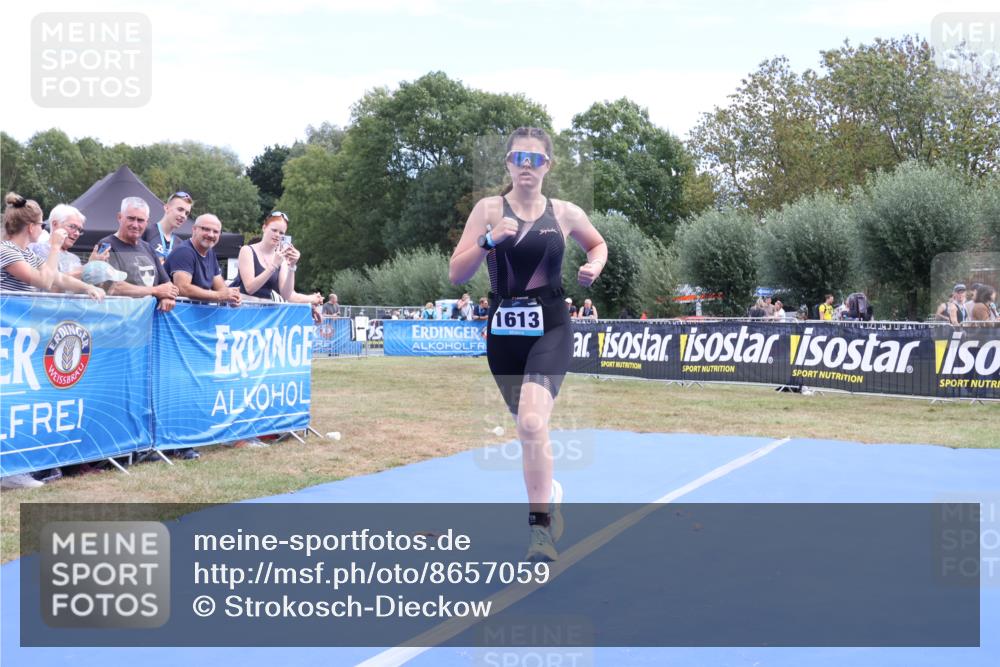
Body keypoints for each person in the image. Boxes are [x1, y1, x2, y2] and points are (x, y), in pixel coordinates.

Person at [449, 127, 607, 562]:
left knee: (534, 424)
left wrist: (594, 265)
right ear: (508, 164)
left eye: (535, 160)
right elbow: (457, 275)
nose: (526, 166)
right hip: (503, 335)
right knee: (527, 428)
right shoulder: (486, 210)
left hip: (551, 327)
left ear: (547, 167)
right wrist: (487, 241)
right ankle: (549, 491)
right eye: (519, 158)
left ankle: (540, 531)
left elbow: (597, 244)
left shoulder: (566, 212)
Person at [0, 193, 103, 490]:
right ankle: (9, 471)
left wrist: (87, 288)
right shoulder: (6, 251)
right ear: (32, 227)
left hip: (19, 342)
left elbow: (57, 278)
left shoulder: (25, 253)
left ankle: (16, 467)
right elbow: (44, 281)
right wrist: (55, 246)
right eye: (42, 224)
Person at [230, 211, 323, 321]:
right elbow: (250, 288)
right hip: (240, 311)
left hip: (263, 316)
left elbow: (287, 295)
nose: (277, 235)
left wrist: (292, 266)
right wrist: (273, 265)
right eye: (274, 230)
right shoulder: (247, 250)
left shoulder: (281, 258)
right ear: (264, 228)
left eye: (281, 233)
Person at [98, 196, 179, 311]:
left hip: (147, 320)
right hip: (119, 319)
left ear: (147, 222)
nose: (135, 225)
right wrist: (156, 291)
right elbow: (112, 287)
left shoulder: (147, 247)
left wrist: (167, 297)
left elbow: (167, 284)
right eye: (131, 218)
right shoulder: (106, 245)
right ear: (120, 217)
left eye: (140, 220)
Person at [165, 214, 241, 306]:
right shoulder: (184, 251)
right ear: (194, 229)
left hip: (194, 316)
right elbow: (182, 288)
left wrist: (232, 297)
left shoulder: (210, 252)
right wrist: (219, 295)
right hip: (178, 315)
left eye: (216, 231)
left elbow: (220, 287)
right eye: (206, 229)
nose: (211, 235)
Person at [29, 204, 104, 278]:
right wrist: (88, 267)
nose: (77, 233)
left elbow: (81, 287)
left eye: (79, 230)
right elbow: (49, 285)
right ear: (55, 224)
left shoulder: (75, 259)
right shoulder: (36, 250)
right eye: (72, 227)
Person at [143, 191, 193, 264]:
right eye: (180, 209)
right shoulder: (146, 231)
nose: (183, 216)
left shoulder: (180, 244)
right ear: (166, 208)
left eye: (186, 213)